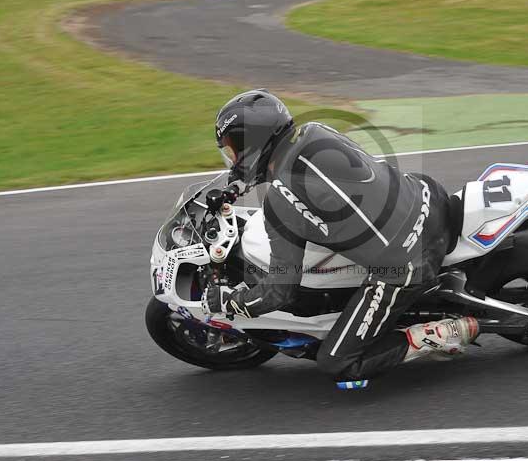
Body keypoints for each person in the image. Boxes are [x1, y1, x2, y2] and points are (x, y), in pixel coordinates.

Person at [201, 89, 479, 381]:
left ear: (252, 142)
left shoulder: (280, 206)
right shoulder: (316, 132)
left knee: (339, 362)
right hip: (427, 196)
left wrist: (231, 301)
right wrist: (235, 185)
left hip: (408, 261)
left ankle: (434, 335)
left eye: (233, 149)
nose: (232, 158)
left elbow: (278, 293)